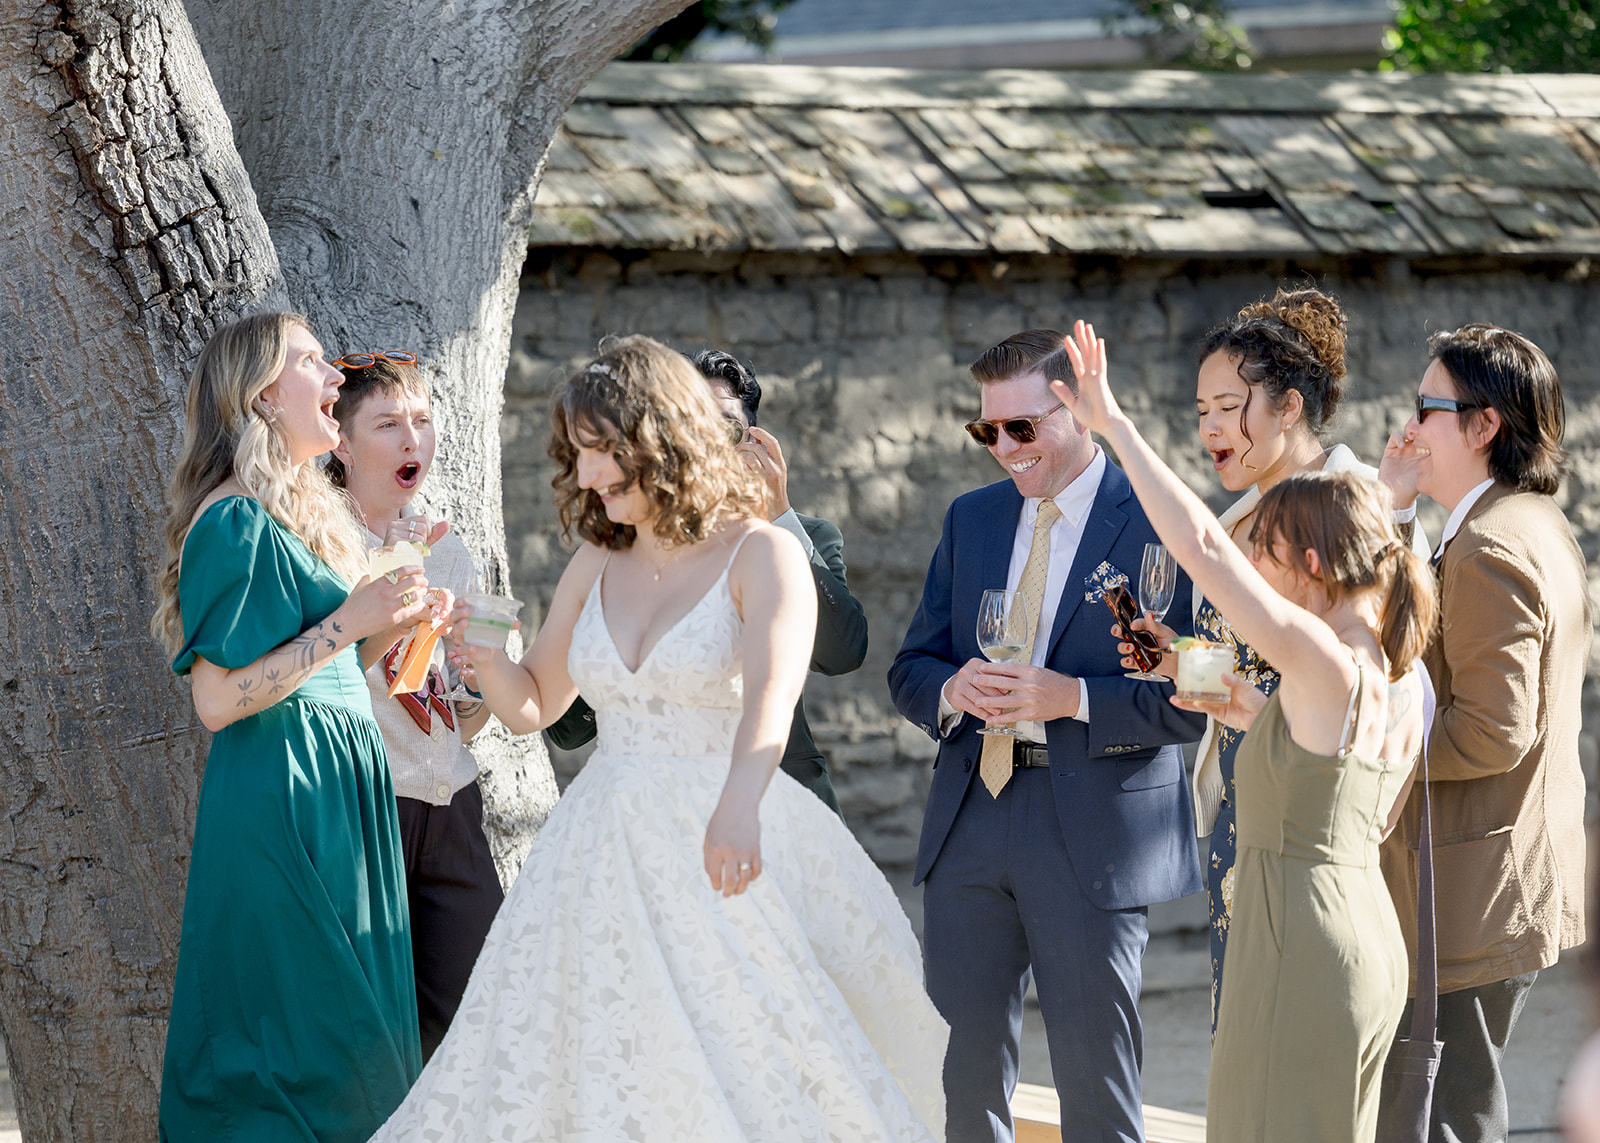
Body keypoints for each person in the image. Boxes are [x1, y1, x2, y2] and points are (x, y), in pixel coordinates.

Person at [369, 335, 946, 1142]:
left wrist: (740, 806)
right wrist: (484, 654)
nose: (589, 473)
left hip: (727, 825)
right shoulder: (595, 558)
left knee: (747, 1046)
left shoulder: (764, 552)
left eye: (603, 451)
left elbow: (772, 702)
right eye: (578, 452)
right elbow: (535, 703)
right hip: (599, 844)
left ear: (661, 439)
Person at [1059, 319, 1434, 1143]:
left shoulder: (1317, 654)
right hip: (1359, 929)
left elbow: (1197, 546)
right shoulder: (1377, 671)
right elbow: (1252, 715)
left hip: (1299, 933)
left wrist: (1113, 425)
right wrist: (1178, 669)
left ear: (1309, 564)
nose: (1248, 571)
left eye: (1262, 557)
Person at [888, 328, 1206, 1143]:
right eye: (986, 430)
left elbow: (1199, 700)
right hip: (970, 818)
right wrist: (953, 687)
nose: (1002, 447)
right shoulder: (972, 519)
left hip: (1093, 828)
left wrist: (1074, 697)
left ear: (1079, 410)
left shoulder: (1157, 517)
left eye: (1021, 427)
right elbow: (910, 666)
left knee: (1094, 1084)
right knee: (958, 1078)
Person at [151, 313, 427, 1141]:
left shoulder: (299, 513)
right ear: (263, 392)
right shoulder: (231, 521)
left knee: (355, 1036)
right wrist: (348, 623)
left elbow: (338, 659)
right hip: (284, 796)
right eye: (312, 362)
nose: (336, 378)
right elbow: (216, 700)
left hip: (345, 790)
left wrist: (403, 619)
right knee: (309, 1046)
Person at [1164, 286, 1430, 1032]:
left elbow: (1388, 672)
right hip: (1240, 802)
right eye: (1201, 411)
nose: (1210, 428)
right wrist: (1175, 661)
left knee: (1292, 1030)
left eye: (1227, 406)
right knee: (1242, 1029)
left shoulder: (1356, 508)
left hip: (1310, 811)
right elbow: (1240, 678)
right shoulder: (1240, 515)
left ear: (1287, 407)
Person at [1377, 323, 1591, 1143]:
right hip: (1490, 874)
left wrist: (1377, 751)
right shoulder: (1517, 520)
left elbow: (1494, 730)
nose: (1407, 428)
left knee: (1444, 1116)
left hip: (1472, 890)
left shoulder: (1491, 545)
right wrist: (1396, 510)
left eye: (1426, 407)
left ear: (1482, 425)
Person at [547, 348, 869, 819]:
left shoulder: (803, 539)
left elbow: (842, 654)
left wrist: (780, 518)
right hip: (652, 813)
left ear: (753, 439)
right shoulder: (612, 552)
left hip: (781, 806)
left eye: (722, 427)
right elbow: (566, 731)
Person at [326, 352, 504, 1061]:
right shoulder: (321, 547)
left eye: (423, 422)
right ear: (341, 443)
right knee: (368, 1038)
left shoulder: (448, 548)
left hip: (449, 799)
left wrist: (483, 674)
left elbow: (460, 714)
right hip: (366, 801)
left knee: (480, 1020)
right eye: (390, 423)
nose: (413, 441)